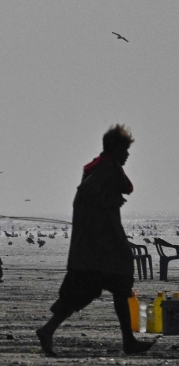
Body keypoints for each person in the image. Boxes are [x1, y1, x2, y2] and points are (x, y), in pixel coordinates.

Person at [36, 125, 154, 356]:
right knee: (116, 285)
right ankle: (128, 341)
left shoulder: (102, 166)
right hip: (100, 249)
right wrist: (110, 199)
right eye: (126, 149)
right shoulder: (107, 168)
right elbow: (87, 191)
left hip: (96, 248)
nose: (128, 154)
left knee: (89, 290)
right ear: (116, 148)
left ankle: (49, 330)